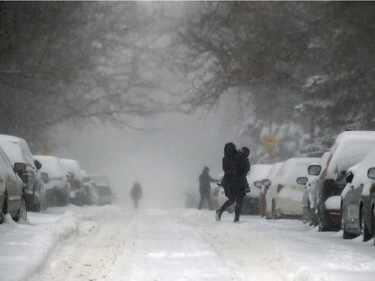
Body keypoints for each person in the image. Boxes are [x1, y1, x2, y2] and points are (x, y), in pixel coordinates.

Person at [216, 143, 251, 222]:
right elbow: (244, 170)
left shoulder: (225, 158)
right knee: (239, 200)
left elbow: (226, 169)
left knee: (232, 199)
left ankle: (220, 211)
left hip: (229, 182)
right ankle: (236, 218)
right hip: (239, 182)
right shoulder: (239, 156)